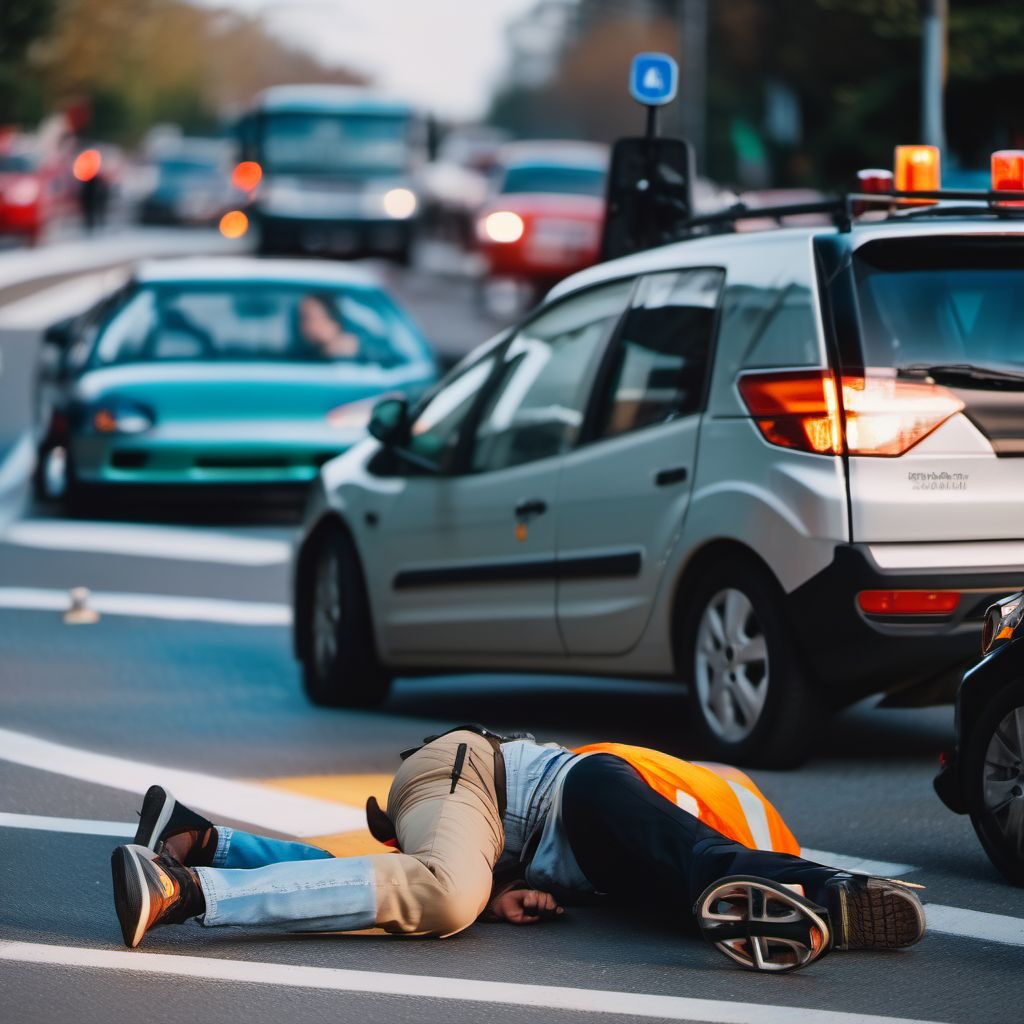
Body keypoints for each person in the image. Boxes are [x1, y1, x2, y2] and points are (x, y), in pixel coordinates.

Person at [110, 726, 925, 973]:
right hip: (512, 779)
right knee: (443, 893)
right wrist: (823, 884)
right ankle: (182, 891)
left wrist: (506, 886)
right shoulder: (730, 818)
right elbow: (681, 837)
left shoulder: (713, 873)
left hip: (516, 831)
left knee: (427, 887)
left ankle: (202, 840)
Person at [295, 294, 362, 360]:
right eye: (300, 319)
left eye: (307, 318)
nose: (303, 325)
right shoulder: (299, 355)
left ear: (331, 320)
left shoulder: (357, 353)